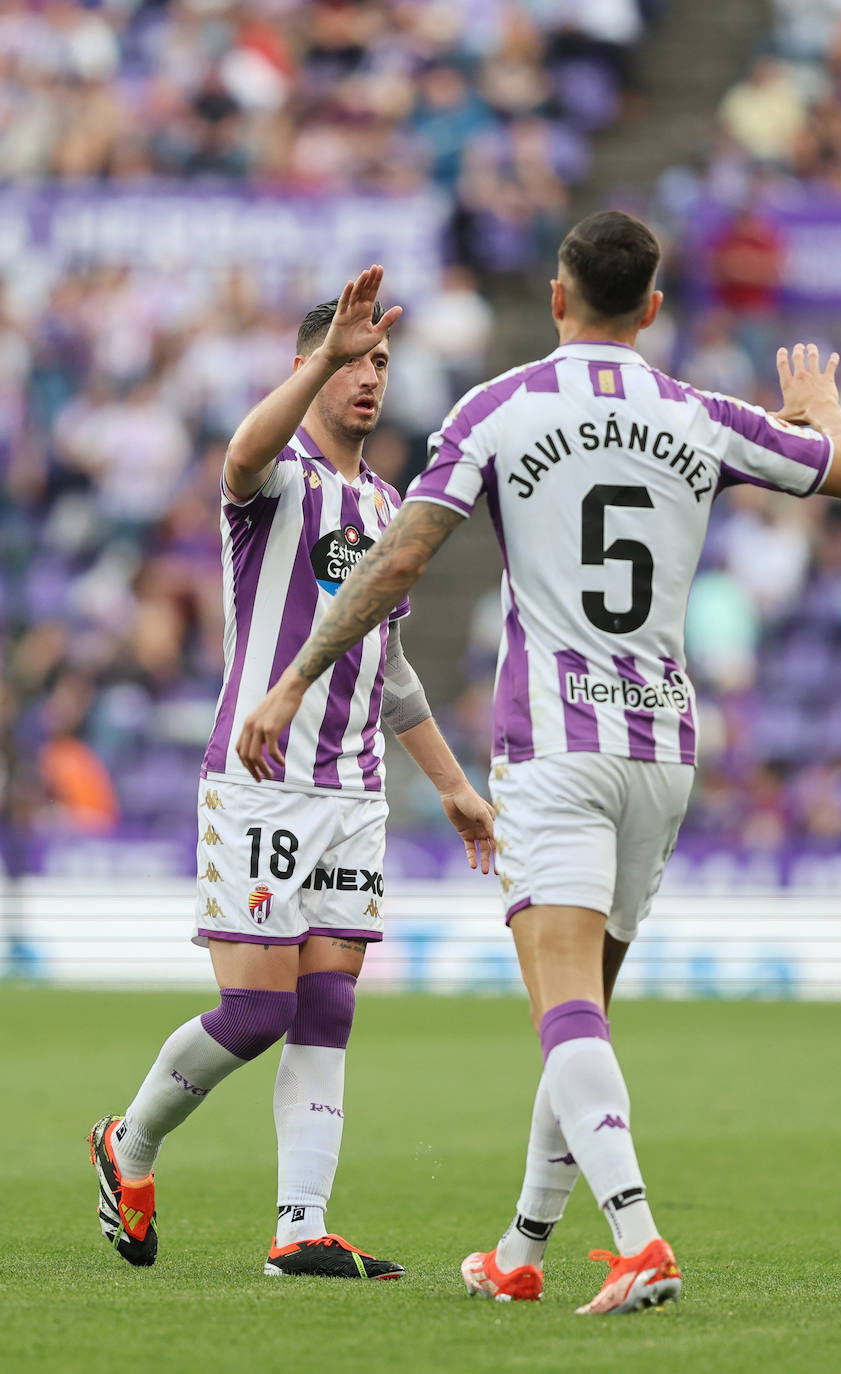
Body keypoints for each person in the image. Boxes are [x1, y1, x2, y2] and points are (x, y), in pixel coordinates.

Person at [236, 214, 841, 1314]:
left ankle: (639, 1241)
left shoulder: (497, 408)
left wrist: (297, 672)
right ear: (653, 310)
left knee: (565, 1008)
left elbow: (401, 560)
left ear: (554, 297)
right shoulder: (699, 414)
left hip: (555, 748)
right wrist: (818, 405)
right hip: (662, 749)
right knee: (583, 1009)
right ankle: (524, 1247)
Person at [88, 266, 496, 1280]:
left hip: (352, 789)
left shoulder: (386, 500)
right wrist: (319, 350)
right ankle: (128, 1142)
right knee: (258, 1010)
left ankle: (300, 1227)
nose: (369, 379)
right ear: (314, 370)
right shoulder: (276, 483)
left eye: (381, 363)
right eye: (353, 361)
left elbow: (389, 668)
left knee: (328, 1007)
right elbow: (238, 451)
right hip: (261, 778)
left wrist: (449, 782)